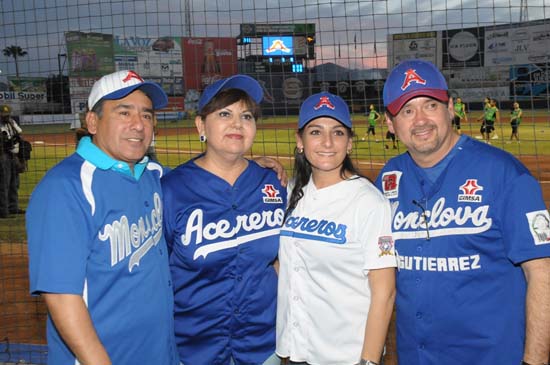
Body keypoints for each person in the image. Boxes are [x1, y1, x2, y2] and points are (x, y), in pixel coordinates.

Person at [375, 59, 550, 365]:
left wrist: (534, 361)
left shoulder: (506, 174)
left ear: (451, 107)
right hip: (416, 356)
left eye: (430, 105)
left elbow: (542, 272)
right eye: (407, 110)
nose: (420, 120)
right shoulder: (388, 179)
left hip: (492, 356)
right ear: (390, 123)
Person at [26, 70, 179, 365]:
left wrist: (250, 166)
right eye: (124, 112)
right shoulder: (65, 187)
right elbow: (61, 296)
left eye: (147, 115)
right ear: (93, 122)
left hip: (159, 352)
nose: (138, 125)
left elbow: (201, 179)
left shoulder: (152, 175)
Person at [161, 75, 286, 365]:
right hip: (191, 349)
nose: (237, 124)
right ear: (201, 125)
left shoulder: (274, 184)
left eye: (246, 116)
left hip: (263, 346)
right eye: (224, 114)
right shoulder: (171, 190)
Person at [277, 92, 397, 365]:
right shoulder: (291, 192)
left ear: (350, 142)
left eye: (338, 132)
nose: (328, 142)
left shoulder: (368, 201)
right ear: (300, 141)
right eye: (316, 131)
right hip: (294, 350)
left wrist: (368, 361)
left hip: (345, 355)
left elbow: (385, 292)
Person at [0, 104, 25, 218]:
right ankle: (3, 211)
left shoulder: (11, 122)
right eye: (3, 115)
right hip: (3, 156)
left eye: (7, 114)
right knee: (3, 184)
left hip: (13, 156)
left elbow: (20, 133)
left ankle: (13, 207)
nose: (5, 117)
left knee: (14, 183)